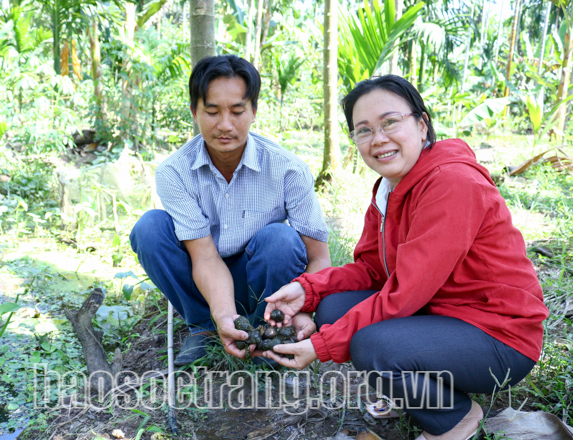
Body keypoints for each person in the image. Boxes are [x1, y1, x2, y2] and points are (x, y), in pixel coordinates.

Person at [260, 75, 549, 439]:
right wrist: (308, 290)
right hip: (442, 312)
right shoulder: (388, 188)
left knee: (373, 348)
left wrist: (320, 346)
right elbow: (370, 268)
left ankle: (457, 418)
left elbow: (404, 295)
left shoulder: (452, 184)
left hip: (499, 336)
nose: (378, 139)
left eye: (390, 122)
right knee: (334, 309)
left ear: (422, 124)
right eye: (363, 130)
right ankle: (416, 393)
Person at [129, 55, 331, 367]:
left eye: (237, 111)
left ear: (254, 111)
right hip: (204, 275)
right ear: (195, 111)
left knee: (281, 239)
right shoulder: (174, 172)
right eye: (212, 111)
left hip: (262, 277)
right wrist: (223, 313)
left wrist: (303, 309)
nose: (225, 125)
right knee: (149, 229)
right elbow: (205, 257)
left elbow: (318, 257)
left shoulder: (288, 169)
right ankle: (206, 327)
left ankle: (269, 328)